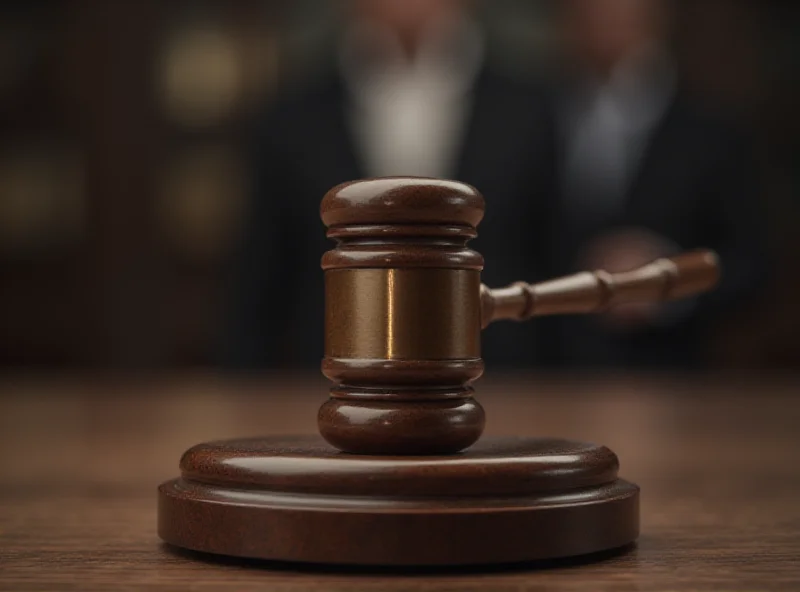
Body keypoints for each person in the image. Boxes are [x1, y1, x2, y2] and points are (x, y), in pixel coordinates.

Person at [224, 0, 555, 369]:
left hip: (504, 379)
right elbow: (259, 283)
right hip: (331, 381)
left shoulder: (533, 109)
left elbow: (552, 256)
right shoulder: (289, 118)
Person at [538, 0, 766, 368]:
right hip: (551, 369)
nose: (607, 15)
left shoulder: (713, 129)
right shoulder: (533, 116)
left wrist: (669, 286)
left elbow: (750, 262)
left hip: (672, 371)